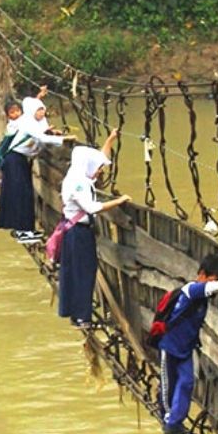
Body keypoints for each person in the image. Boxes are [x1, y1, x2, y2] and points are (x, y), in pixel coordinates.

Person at [159, 255, 218, 434]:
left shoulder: (203, 292)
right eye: (211, 280)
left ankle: (175, 421)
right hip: (170, 345)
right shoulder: (192, 289)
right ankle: (168, 419)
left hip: (185, 349)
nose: (213, 286)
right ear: (202, 274)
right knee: (168, 385)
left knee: (186, 382)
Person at [57, 133, 130, 328]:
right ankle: (82, 316)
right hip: (78, 233)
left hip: (75, 231)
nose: (99, 172)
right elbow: (92, 208)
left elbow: (101, 158)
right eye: (97, 168)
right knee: (83, 272)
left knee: (77, 271)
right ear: (87, 165)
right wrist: (118, 201)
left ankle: (78, 314)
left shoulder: (78, 174)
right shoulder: (78, 182)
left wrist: (110, 139)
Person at [0, 87, 76, 243]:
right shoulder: (26, 122)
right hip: (15, 160)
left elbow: (39, 133)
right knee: (22, 195)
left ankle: (25, 230)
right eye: (38, 110)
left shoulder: (28, 121)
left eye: (42, 110)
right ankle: (24, 232)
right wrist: (64, 139)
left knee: (20, 194)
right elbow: (41, 137)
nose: (41, 113)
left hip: (18, 160)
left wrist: (50, 131)